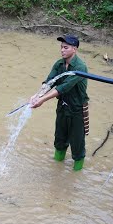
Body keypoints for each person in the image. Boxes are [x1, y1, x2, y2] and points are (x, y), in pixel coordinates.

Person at [29, 34, 89, 171]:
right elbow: (50, 82)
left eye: (66, 48)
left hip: (77, 109)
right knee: (60, 139)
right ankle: (56, 169)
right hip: (62, 107)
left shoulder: (80, 68)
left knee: (77, 143)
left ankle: (76, 173)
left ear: (74, 49)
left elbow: (63, 88)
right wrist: (36, 95)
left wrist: (42, 100)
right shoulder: (59, 64)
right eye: (61, 47)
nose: (62, 50)